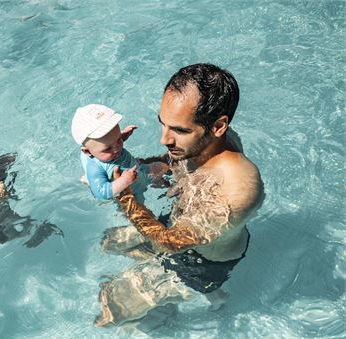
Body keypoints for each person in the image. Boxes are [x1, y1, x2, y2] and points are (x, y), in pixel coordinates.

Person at [113, 63, 264, 295]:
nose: (165, 139)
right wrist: (139, 168)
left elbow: (169, 243)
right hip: (183, 223)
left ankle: (217, 300)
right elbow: (174, 163)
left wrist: (126, 199)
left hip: (204, 262)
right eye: (163, 124)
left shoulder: (238, 191)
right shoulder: (200, 144)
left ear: (218, 126)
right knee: (112, 245)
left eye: (179, 131)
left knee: (121, 304)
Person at [71, 104, 148, 201]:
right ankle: (90, 182)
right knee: (140, 212)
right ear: (87, 152)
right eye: (107, 149)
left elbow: (110, 141)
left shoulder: (104, 146)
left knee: (162, 166)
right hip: (129, 192)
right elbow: (100, 193)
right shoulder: (94, 167)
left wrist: (123, 135)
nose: (117, 149)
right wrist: (124, 181)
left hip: (137, 170)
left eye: (119, 139)